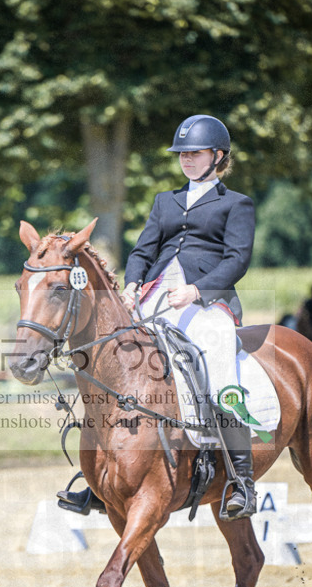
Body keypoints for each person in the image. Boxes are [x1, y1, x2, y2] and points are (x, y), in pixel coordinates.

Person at [59, 114, 256, 519]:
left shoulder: (236, 204)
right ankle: (102, 479)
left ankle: (241, 479)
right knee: (114, 364)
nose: (185, 160)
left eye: (194, 153)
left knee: (220, 372)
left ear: (218, 156)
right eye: (182, 154)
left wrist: (197, 290)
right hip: (155, 295)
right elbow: (143, 251)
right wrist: (132, 287)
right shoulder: (165, 200)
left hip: (207, 303)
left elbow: (238, 259)